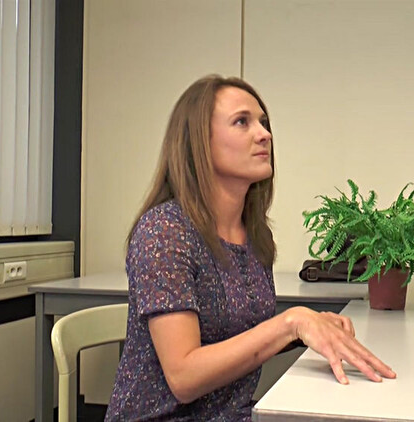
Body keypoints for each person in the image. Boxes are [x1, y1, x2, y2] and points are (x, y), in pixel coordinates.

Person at [105, 75, 396, 421]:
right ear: (198, 143)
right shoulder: (164, 231)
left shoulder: (254, 235)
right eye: (242, 122)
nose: (264, 134)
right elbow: (184, 376)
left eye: (263, 122)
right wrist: (289, 323)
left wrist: (306, 330)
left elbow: (235, 337)